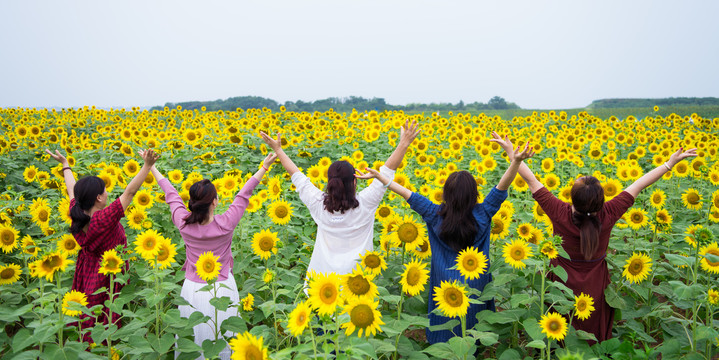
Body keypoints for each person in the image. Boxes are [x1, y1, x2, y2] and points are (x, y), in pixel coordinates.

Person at [361, 132, 534, 343]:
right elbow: (502, 186)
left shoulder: (434, 215)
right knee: (474, 323)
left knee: (443, 323)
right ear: (474, 193)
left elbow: (407, 194)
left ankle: (442, 346)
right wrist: (515, 160)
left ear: (446, 194)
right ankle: (473, 349)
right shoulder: (483, 213)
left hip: (444, 284)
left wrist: (382, 178)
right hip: (475, 282)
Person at [516, 146, 697, 343]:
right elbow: (638, 185)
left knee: (559, 321)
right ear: (601, 201)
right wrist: (669, 164)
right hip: (596, 281)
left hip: (562, 280)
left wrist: (514, 155)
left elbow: (531, 180)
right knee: (593, 319)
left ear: (571, 198)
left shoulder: (559, 212)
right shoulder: (608, 214)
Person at [146, 151, 277, 360]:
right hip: (223, 288)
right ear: (215, 201)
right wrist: (264, 166)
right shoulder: (227, 223)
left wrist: (151, 166)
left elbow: (170, 194)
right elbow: (244, 194)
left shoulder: (183, 223)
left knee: (193, 340)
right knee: (223, 339)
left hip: (192, 289)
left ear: (191, 203)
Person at [259, 120, 420, 280]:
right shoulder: (366, 203)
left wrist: (278, 149)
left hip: (322, 288)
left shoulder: (318, 204)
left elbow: (297, 176)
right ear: (355, 181)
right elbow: (387, 171)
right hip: (358, 286)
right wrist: (404, 143)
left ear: (329, 183)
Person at [47, 148, 160, 342]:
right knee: (102, 314)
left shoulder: (77, 213)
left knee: (88, 310)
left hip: (87, 270)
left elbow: (71, 189)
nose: (108, 193)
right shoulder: (103, 219)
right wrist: (147, 166)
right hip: (107, 271)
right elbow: (130, 192)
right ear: (99, 198)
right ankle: (98, 348)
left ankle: (86, 344)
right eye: (105, 190)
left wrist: (66, 165)